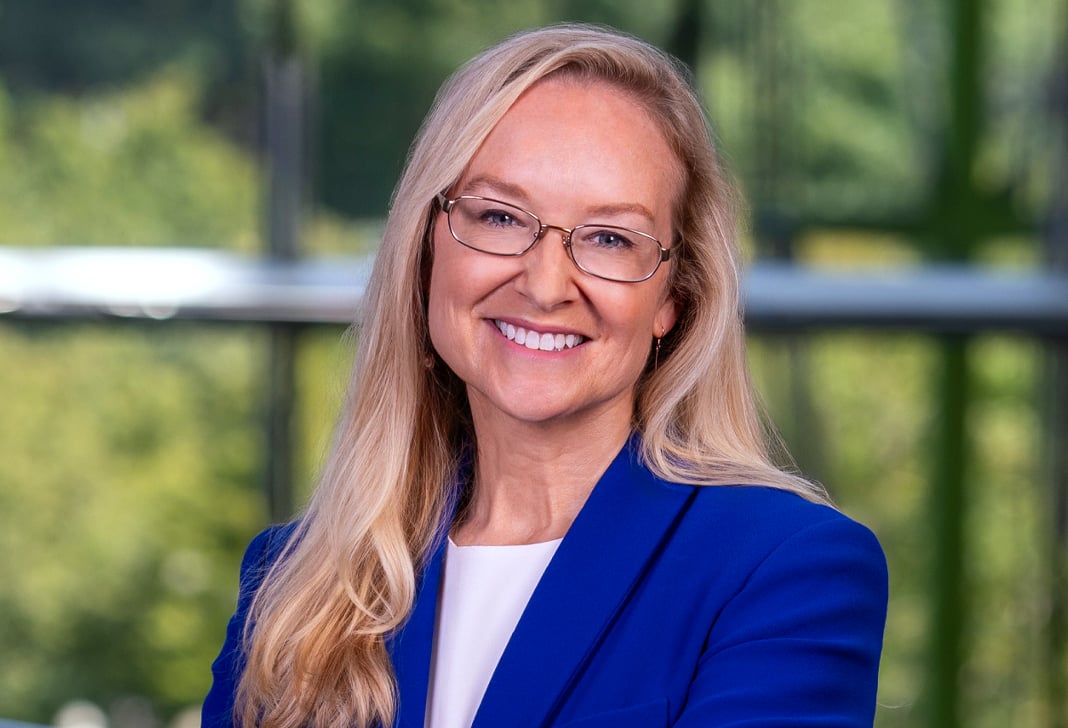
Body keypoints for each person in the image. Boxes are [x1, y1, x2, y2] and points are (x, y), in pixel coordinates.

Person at [202, 23, 888, 728]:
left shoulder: (784, 571)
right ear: (426, 251)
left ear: (673, 298)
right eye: (500, 217)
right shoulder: (294, 585)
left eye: (610, 238)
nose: (545, 284)